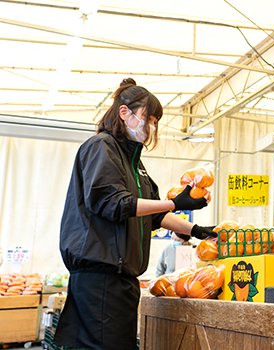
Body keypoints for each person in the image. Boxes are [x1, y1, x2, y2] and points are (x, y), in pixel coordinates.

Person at [55, 78, 217, 349]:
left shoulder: (135, 163)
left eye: (156, 121)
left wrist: (195, 230)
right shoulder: (101, 147)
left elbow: (152, 214)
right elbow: (114, 203)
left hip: (122, 281)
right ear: (124, 113)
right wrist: (175, 203)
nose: (152, 127)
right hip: (100, 279)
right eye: (148, 118)